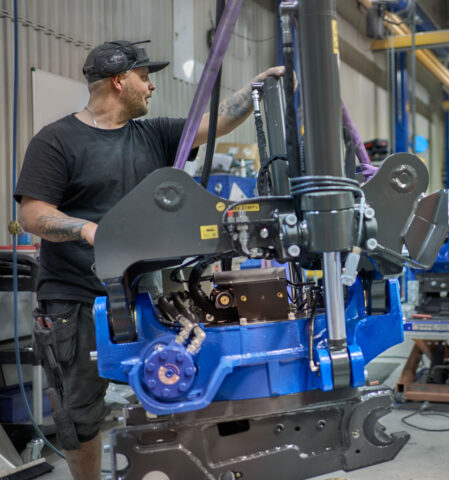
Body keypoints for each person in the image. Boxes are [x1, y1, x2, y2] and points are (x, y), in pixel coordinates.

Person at [14, 40, 284, 480]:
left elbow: (213, 124)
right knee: (80, 413)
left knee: (172, 388)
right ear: (120, 82)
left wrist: (254, 89)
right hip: (77, 301)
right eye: (145, 77)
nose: (152, 86)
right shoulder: (57, 141)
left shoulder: (153, 134)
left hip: (147, 298)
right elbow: (32, 214)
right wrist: (88, 230)